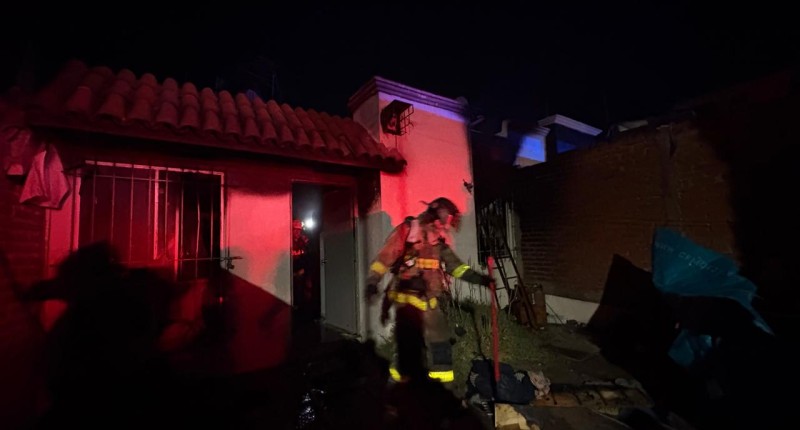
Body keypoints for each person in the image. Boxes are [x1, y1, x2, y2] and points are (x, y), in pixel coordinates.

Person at [365, 197, 493, 384]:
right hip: (407, 301)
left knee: (441, 342)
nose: (447, 225)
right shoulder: (409, 231)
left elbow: (456, 267)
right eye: (447, 219)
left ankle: (440, 387)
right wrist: (373, 281)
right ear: (438, 214)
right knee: (409, 346)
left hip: (430, 301)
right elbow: (384, 258)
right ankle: (398, 388)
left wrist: (480, 279)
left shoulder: (436, 242)